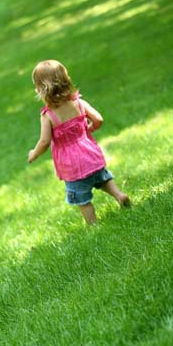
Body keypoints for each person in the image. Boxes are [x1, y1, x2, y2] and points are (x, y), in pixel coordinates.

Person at [28, 59, 131, 224]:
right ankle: (119, 195)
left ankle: (93, 225)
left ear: (41, 90)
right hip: (90, 155)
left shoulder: (47, 115)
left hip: (72, 167)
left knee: (83, 200)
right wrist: (88, 130)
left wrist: (34, 154)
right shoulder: (78, 102)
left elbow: (45, 141)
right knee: (103, 178)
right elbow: (98, 119)